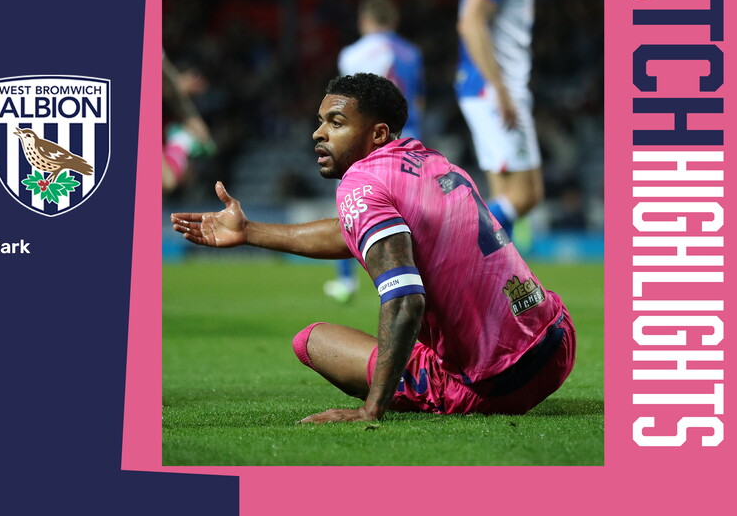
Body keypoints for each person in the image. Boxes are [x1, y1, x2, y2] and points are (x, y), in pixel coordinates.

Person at [171, 74, 575, 423]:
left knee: (312, 341)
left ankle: (420, 387)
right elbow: (350, 229)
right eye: (320, 122)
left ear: (377, 133)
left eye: (336, 122)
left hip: (498, 384)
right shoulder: (432, 161)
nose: (319, 133)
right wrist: (249, 231)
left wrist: (372, 407)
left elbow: (405, 300)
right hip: (556, 343)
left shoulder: (359, 183)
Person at [455, 0, 547, 239]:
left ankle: (496, 290)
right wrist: (500, 88)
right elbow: (471, 22)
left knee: (504, 196)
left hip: (487, 88)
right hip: (493, 88)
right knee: (525, 196)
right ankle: (455, 246)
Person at [324, 0, 425, 303]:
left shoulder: (351, 54)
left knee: (354, 207)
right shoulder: (411, 53)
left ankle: (346, 281)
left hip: (366, 140)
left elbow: (348, 103)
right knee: (413, 211)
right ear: (393, 20)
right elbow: (418, 100)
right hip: (408, 138)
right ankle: (421, 275)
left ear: (364, 20)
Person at [162, 50, 214, 194]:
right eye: (197, 80)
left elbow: (205, 137)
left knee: (169, 182)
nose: (200, 88)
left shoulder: (180, 104)